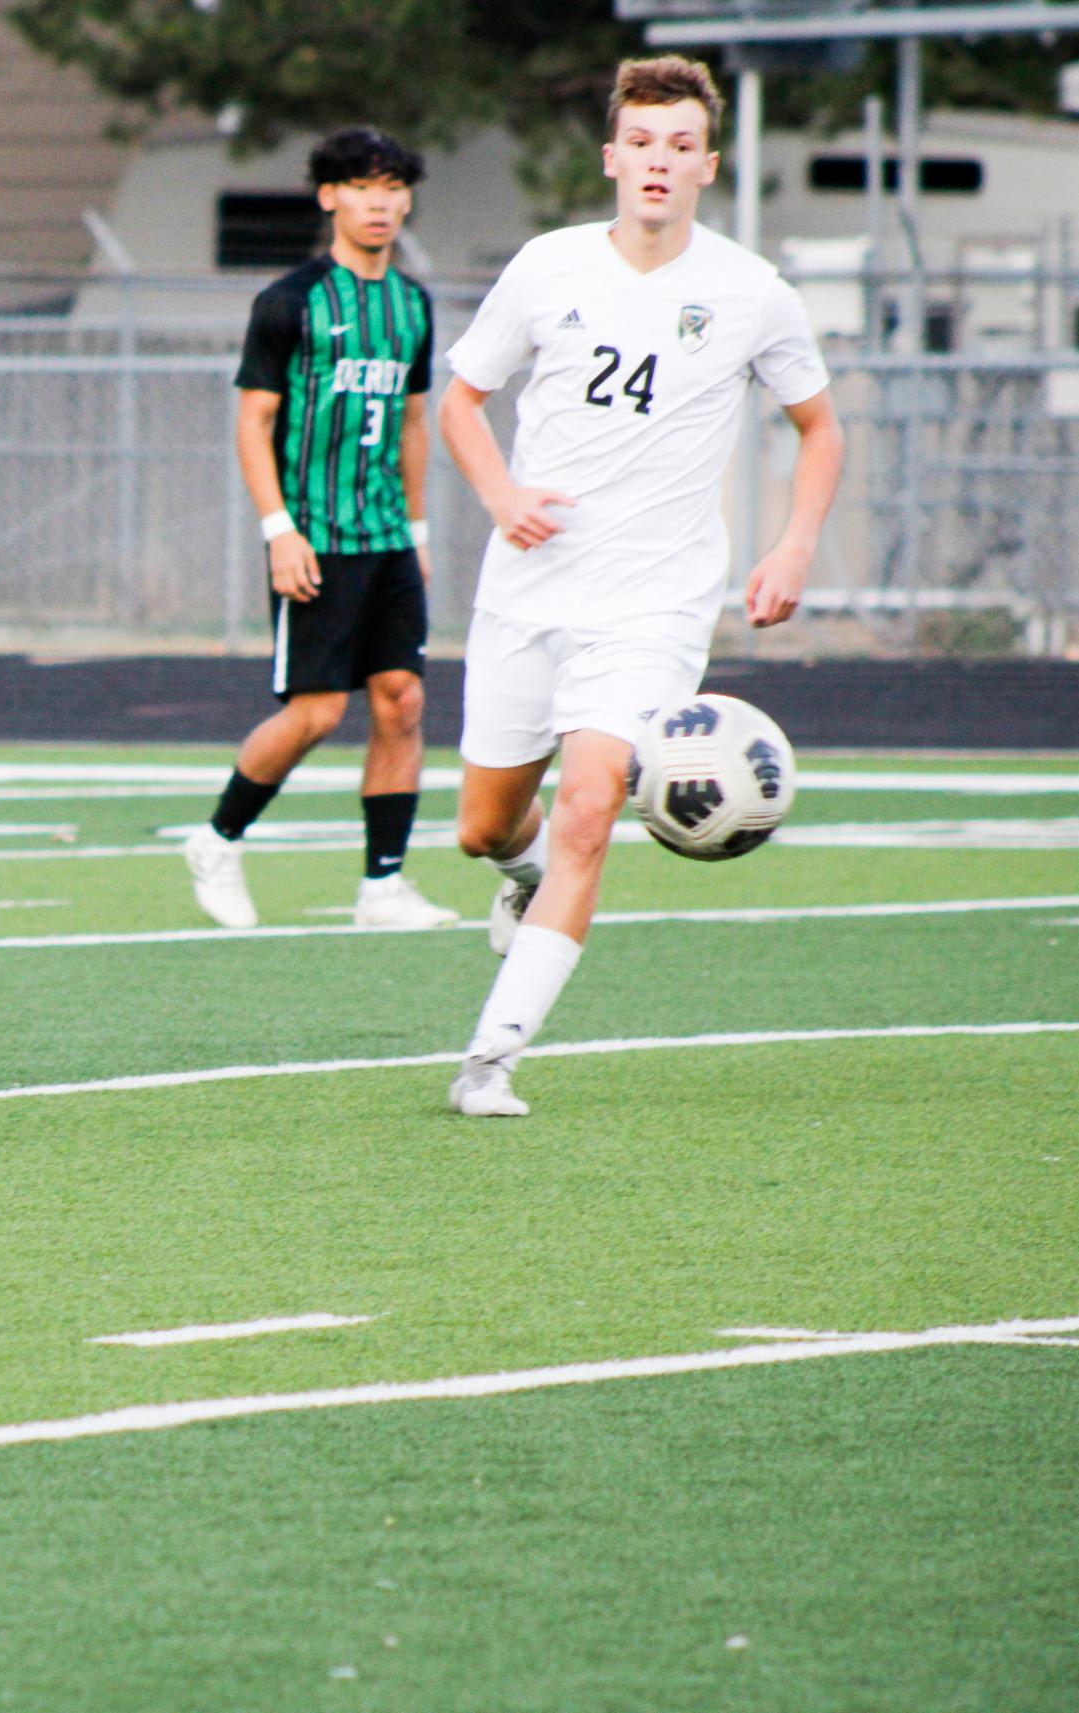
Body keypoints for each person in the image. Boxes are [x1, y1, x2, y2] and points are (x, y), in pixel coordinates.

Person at [438, 56, 844, 1117]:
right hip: (527, 592)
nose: (658, 164)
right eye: (642, 145)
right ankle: (516, 880)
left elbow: (819, 427)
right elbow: (461, 402)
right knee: (486, 827)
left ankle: (492, 1059)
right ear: (611, 157)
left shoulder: (753, 292)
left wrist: (795, 542)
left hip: (653, 604)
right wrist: (500, 494)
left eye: (680, 147)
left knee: (584, 813)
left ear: (707, 165)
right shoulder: (548, 267)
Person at [184, 127, 459, 935]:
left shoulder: (412, 304)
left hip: (385, 539)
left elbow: (412, 423)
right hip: (315, 536)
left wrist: (416, 528)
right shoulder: (290, 300)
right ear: (328, 196)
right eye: (361, 186)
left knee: (401, 701)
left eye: (392, 187)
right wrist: (278, 530)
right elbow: (252, 421)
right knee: (312, 713)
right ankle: (216, 839)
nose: (380, 201)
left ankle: (382, 886)